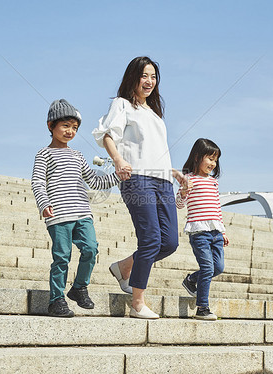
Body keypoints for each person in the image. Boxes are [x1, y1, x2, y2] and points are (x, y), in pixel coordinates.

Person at [92, 56, 188, 319]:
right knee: (150, 239)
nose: (149, 81)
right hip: (137, 179)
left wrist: (174, 173)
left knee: (168, 243)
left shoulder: (155, 114)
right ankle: (137, 303)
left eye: (154, 76)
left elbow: (153, 151)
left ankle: (124, 267)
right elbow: (108, 135)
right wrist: (118, 159)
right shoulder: (122, 104)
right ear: (133, 77)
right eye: (144, 75)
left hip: (163, 181)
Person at [31, 99, 122, 318]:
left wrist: (118, 176)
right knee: (62, 256)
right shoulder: (44, 154)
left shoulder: (77, 155)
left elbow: (95, 181)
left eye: (74, 127)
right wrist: (44, 203)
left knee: (91, 249)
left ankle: (79, 287)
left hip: (82, 212)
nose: (70, 131)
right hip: (59, 214)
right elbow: (37, 182)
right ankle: (56, 300)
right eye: (65, 126)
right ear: (51, 125)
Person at [176, 138, 230, 321]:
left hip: (215, 231)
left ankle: (191, 279)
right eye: (210, 159)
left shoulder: (214, 182)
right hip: (198, 232)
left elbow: (216, 207)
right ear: (197, 157)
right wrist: (183, 191)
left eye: (215, 160)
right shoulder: (188, 179)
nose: (213, 164)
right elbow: (178, 204)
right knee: (207, 267)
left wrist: (222, 231)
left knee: (218, 267)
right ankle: (202, 307)